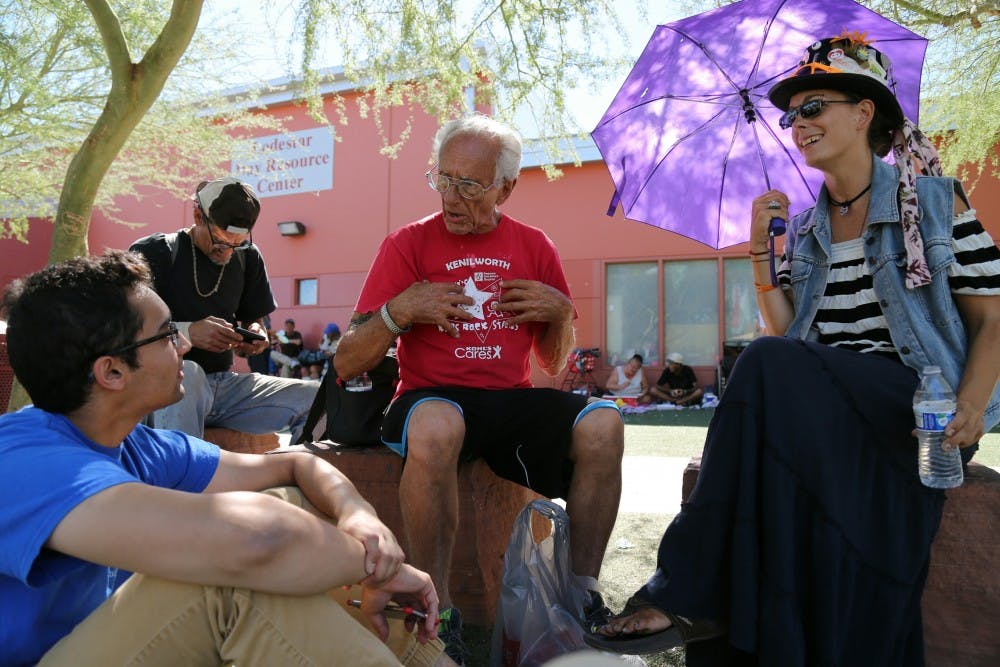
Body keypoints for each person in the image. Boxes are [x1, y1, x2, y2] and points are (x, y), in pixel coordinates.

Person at [587, 33, 1000, 666]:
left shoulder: (935, 203)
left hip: (921, 405)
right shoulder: (804, 227)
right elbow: (790, 340)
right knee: (766, 374)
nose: (797, 124)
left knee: (761, 363)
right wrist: (761, 252)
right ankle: (731, 617)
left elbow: (992, 316)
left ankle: (686, 592)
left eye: (814, 107)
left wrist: (972, 404)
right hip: (829, 402)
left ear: (865, 112)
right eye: (791, 114)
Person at [0, 251, 450, 666]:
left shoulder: (136, 445)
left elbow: (294, 464)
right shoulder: (25, 461)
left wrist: (360, 517)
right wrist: (379, 565)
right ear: (112, 371)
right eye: (166, 335)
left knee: (286, 503)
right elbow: (259, 542)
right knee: (229, 579)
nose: (183, 345)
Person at [334, 114, 625, 664]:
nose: (451, 195)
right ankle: (436, 607)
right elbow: (347, 360)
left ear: (506, 188)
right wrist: (399, 312)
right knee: (439, 423)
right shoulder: (407, 244)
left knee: (605, 423)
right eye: (443, 178)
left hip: (508, 400)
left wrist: (562, 313)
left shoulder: (534, 245)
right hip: (430, 397)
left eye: (469, 184)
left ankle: (582, 595)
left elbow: (553, 362)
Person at [129, 177, 318, 440]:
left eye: (237, 243)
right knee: (190, 373)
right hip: (167, 384)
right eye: (220, 241)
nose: (228, 251)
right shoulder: (154, 252)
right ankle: (176, 476)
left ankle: (297, 475)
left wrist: (253, 335)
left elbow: (254, 319)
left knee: (316, 398)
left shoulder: (248, 257)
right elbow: (129, 330)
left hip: (223, 386)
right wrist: (190, 332)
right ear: (197, 215)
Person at [638, 352, 703, 406]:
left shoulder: (688, 370)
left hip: (686, 395)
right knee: (652, 390)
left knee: (699, 392)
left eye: (671, 363)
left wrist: (684, 391)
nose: (669, 365)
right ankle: (675, 401)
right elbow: (658, 385)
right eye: (669, 363)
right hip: (672, 395)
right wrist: (670, 391)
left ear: (678, 364)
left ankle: (682, 401)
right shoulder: (667, 371)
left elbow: (694, 387)